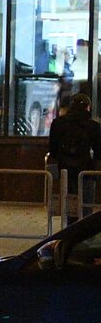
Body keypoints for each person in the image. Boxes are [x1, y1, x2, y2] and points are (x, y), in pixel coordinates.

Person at [48, 93, 101, 226]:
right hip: (86, 172)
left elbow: (53, 150)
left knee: (68, 204)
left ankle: (67, 232)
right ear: (88, 107)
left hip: (65, 171)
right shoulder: (93, 126)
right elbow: (99, 151)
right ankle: (82, 236)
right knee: (85, 206)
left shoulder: (58, 123)